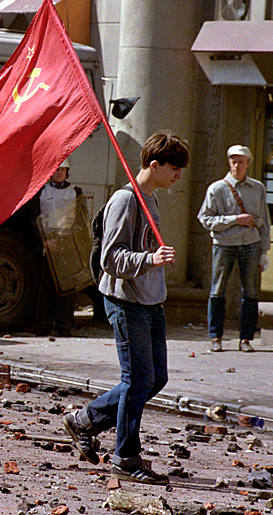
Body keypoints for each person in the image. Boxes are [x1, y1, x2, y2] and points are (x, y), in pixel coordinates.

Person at [63, 131, 189, 485]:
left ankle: (84, 420)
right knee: (137, 380)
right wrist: (150, 258)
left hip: (151, 300)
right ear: (154, 164)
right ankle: (125, 457)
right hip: (125, 299)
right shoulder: (126, 200)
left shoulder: (152, 198)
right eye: (174, 168)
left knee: (156, 378)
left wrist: (153, 263)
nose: (179, 175)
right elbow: (110, 258)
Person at [197, 145, 270, 353]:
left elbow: (263, 222)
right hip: (224, 246)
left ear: (248, 163)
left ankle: (246, 339)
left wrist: (264, 252)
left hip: (251, 245)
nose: (237, 166)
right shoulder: (217, 188)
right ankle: (215, 337)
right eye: (233, 161)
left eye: (241, 161)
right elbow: (205, 219)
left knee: (250, 292)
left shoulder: (258, 189)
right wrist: (234, 219)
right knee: (217, 291)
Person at [32, 158, 82, 336]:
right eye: (56, 169)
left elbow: (81, 220)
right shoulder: (41, 192)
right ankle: (42, 325)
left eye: (63, 170)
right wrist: (43, 242)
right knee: (46, 288)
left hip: (67, 244)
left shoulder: (75, 191)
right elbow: (33, 219)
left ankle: (64, 325)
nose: (59, 173)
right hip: (48, 244)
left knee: (67, 289)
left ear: (67, 172)